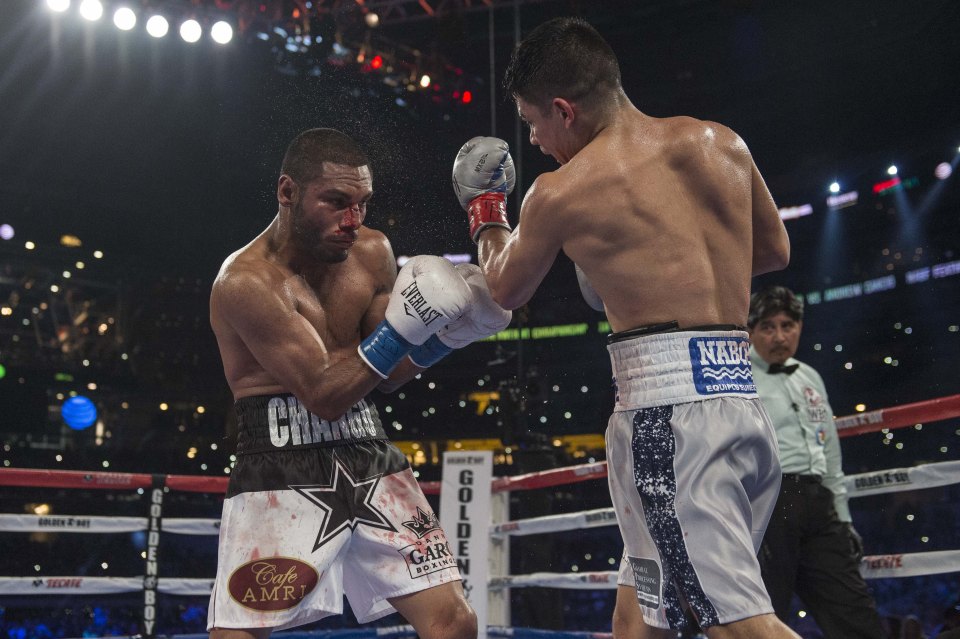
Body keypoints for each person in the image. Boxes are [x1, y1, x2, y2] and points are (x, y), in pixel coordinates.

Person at [450, 16, 799, 639]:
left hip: (667, 421)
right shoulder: (720, 142)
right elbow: (773, 251)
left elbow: (504, 289)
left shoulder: (559, 192)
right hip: (741, 406)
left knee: (740, 627)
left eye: (533, 123)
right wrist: (650, 259)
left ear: (564, 110)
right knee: (639, 613)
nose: (533, 140)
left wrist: (486, 214)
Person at [207, 127, 510, 638]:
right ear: (287, 192)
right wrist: (404, 327)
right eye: (336, 203)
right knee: (242, 634)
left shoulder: (372, 252)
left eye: (363, 204)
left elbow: (385, 373)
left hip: (368, 450)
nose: (353, 221)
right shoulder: (246, 282)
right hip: (280, 462)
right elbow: (324, 393)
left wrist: (448, 340)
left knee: (455, 622)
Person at [748, 286, 886, 638]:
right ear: (750, 330)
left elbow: (831, 452)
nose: (779, 336)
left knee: (856, 616)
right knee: (763, 617)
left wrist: (842, 514)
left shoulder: (811, 377)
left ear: (800, 327)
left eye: (787, 325)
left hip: (818, 503)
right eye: (767, 326)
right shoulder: (736, 378)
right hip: (767, 503)